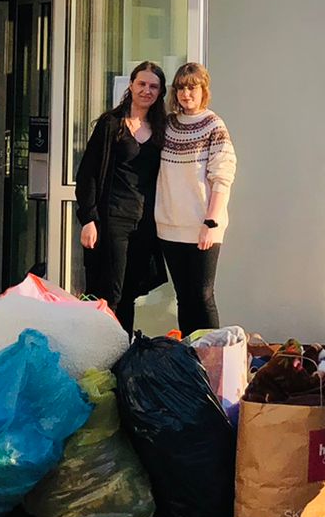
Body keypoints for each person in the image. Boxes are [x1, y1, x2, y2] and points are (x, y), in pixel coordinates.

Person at [76, 60, 168, 332]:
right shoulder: (111, 124)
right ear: (131, 85)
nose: (146, 90)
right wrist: (88, 218)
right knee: (111, 292)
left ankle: (123, 349)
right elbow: (88, 174)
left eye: (153, 86)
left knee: (130, 292)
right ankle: (105, 349)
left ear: (160, 92)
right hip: (113, 219)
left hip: (145, 223)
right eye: (142, 84)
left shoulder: (163, 128)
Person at [154, 61, 237, 335]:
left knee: (203, 294)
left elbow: (222, 176)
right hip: (169, 225)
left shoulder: (213, 125)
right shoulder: (167, 125)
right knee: (184, 296)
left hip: (203, 225)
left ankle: (212, 354)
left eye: (192, 88)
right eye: (180, 88)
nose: (185, 94)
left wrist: (211, 222)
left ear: (204, 90)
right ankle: (190, 354)